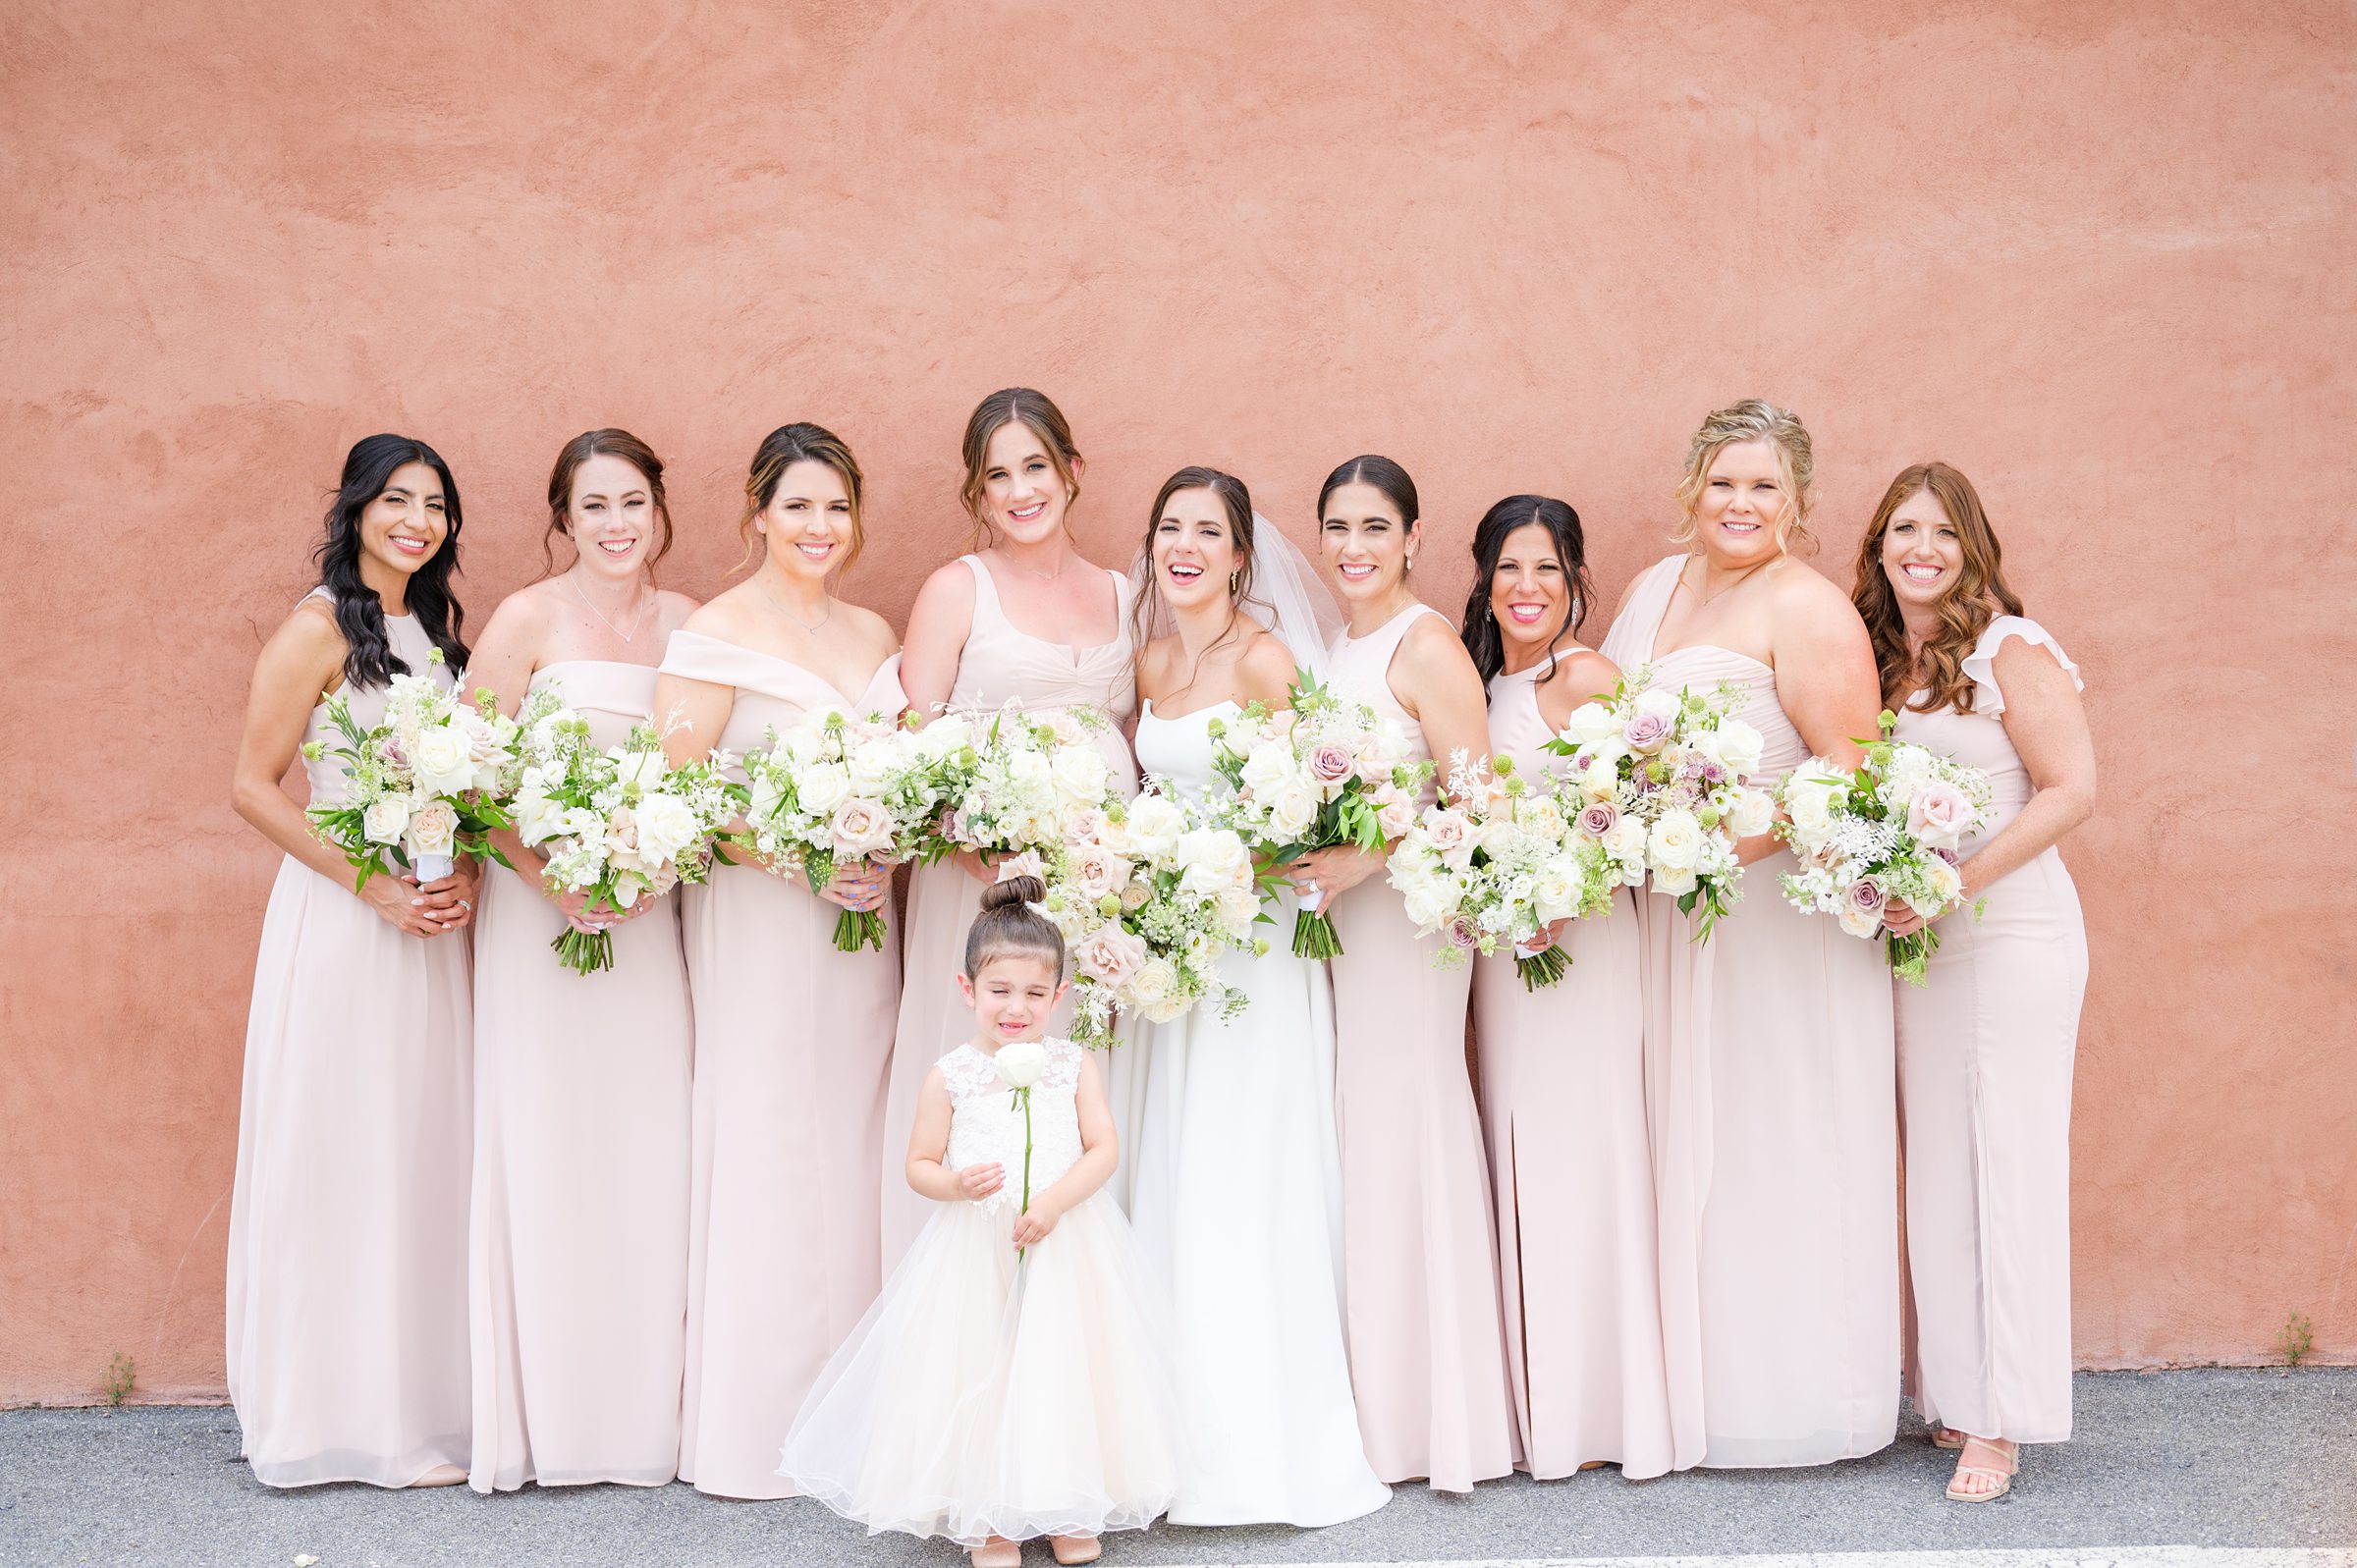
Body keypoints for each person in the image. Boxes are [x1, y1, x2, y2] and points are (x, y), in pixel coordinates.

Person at [1597, 399, 1897, 1469]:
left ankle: (1798, 1398)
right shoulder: (1649, 591)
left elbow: (1850, 772)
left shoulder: (1807, 607)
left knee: (1772, 1136)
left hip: (1770, 921)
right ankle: (1694, 1390)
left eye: (1764, 486)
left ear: (1799, 501)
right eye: (1724, 482)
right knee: (1691, 1134)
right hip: (1673, 920)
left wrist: (1714, 850)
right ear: (1692, 487)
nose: (1740, 503)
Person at [1122, 466, 1388, 1525]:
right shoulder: (1147, 660)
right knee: (1171, 1160)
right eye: (1168, 528)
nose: (1184, 546)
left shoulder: (1267, 659)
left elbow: (1343, 801)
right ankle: (1160, 1437)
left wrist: (1266, 865)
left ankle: (1255, 1448)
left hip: (1255, 953)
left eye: (1207, 532)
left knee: (1240, 1164)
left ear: (1240, 555)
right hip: (1171, 955)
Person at [779, 877, 1181, 1568]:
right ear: (967, 988)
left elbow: (1103, 1147)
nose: (1016, 1007)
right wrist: (958, 1183)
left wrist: (1054, 1202)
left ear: (1059, 997)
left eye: (1033, 993)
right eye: (1000, 990)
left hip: (1064, 1243)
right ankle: (988, 1516)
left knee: (1061, 1369)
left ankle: (1067, 1502)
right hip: (976, 1248)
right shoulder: (952, 1074)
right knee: (982, 1370)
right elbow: (919, 1163)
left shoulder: (1072, 1064)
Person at [656, 421, 903, 1500]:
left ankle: (860, 1411)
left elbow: (906, 769)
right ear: (758, 513)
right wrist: (795, 862)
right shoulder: (716, 630)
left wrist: (883, 842)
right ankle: (762, 1422)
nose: (819, 526)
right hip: (760, 917)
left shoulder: (871, 628)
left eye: (837, 507)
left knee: (855, 1136)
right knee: (768, 1135)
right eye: (797, 505)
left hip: (864, 924)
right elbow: (675, 800)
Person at [225, 433, 477, 1487]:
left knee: (419, 1153)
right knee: (343, 1150)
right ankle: (327, 1416)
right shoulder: (315, 627)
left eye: (435, 505)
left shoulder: (440, 635)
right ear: (357, 508)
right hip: (344, 922)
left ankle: (415, 1408)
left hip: (430, 927)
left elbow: (465, 792)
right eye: (397, 500)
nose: (416, 520)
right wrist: (368, 885)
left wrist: (459, 874)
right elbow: (251, 783)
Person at [461, 428, 699, 1491]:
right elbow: (466, 776)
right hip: (537, 914)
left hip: (650, 917)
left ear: (660, 511)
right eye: (593, 505)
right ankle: (552, 1416)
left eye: (633, 502)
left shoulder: (691, 624)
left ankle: (647, 1417)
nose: (616, 524)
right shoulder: (525, 619)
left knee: (653, 1139)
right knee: (550, 1133)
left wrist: (655, 856)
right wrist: (549, 872)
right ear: (563, 519)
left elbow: (704, 775)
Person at [1855, 461, 2095, 1503]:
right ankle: (1957, 1393)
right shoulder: (1880, 665)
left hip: (2013, 938)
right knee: (1942, 1172)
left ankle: (2005, 1421)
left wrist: (1956, 881)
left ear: (1973, 548)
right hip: (1926, 948)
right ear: (1877, 549)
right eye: (1903, 529)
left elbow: (2071, 787)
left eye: (1942, 532)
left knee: (2007, 1164)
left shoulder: (2010, 650)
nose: (1922, 547)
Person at [1286, 455, 1518, 1491]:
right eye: (1337, 526)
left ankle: (1431, 1417)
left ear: (1415, 536)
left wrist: (1359, 858)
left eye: (1375, 527)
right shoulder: (1342, 643)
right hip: (1349, 926)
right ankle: (1372, 1397)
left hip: (1412, 930)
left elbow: (1478, 809)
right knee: (1360, 1141)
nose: (1353, 547)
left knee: (1406, 1128)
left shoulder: (1428, 651)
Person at [887, 388, 1139, 1265]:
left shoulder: (1123, 592)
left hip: (1096, 899)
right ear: (979, 493)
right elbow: (910, 757)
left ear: (1072, 472)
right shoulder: (958, 589)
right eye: (999, 476)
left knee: (1080, 1107)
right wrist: (981, 858)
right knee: (979, 1106)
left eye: (1036, 466)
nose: (1021, 490)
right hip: (983, 894)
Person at [1458, 494, 1675, 1480]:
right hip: (1509, 959)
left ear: (1576, 580)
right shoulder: (1485, 683)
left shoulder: (1584, 677)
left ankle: (1601, 1414)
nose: (1526, 587)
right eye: (1509, 568)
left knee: (1584, 1151)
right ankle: (1546, 1404)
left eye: (1547, 568)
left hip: (1580, 952)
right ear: (1484, 579)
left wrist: (1560, 895)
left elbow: (1634, 819)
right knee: (1525, 1152)